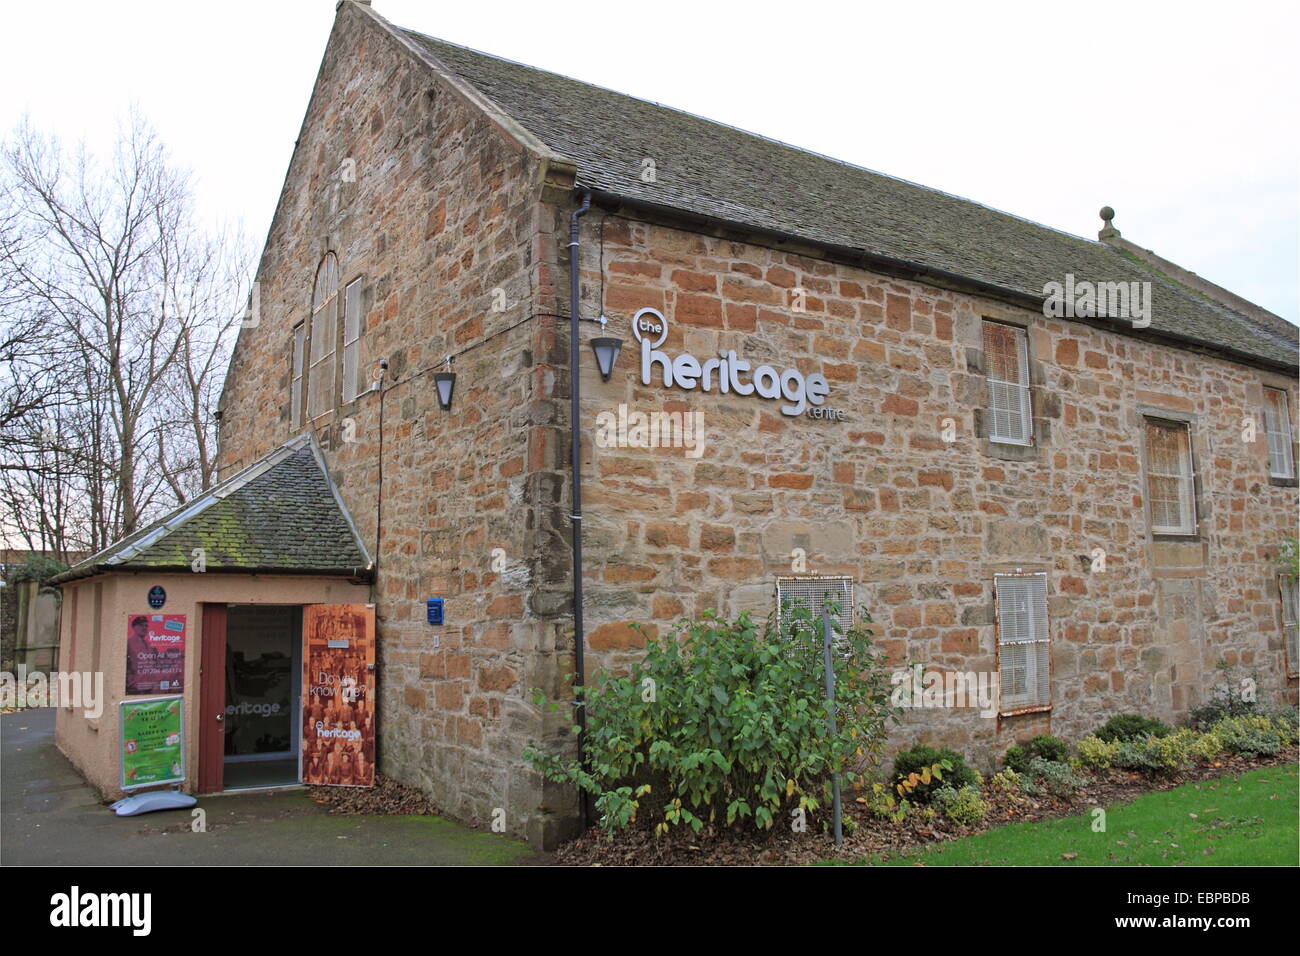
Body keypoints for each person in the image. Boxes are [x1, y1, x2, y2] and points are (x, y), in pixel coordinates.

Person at [125, 616, 153, 693]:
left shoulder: (148, 644)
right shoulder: (129, 643)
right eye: (141, 625)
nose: (144, 628)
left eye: (146, 625)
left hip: (148, 685)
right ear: (134, 627)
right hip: (134, 686)